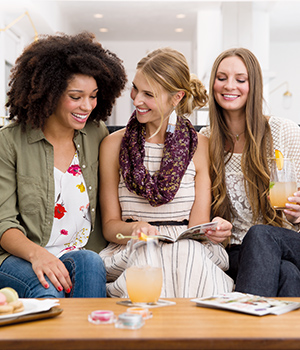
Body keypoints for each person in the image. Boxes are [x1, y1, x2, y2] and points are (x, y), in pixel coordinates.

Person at [99, 47, 234, 298]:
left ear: (176, 97)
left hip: (188, 248)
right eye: (136, 88)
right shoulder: (112, 145)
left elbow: (197, 226)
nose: (137, 100)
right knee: (150, 258)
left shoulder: (200, 146)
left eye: (148, 94)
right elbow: (109, 228)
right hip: (133, 245)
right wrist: (136, 228)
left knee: (185, 255)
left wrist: (214, 229)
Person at [0, 32, 127, 298]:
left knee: (91, 262)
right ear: (51, 92)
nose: (87, 106)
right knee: (46, 284)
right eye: (76, 96)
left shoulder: (96, 134)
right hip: (19, 256)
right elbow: (4, 223)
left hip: (78, 254)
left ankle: (91, 339)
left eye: (93, 96)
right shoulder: (9, 141)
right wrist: (39, 256)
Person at [200, 47, 300, 297]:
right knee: (287, 273)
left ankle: (242, 335)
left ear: (253, 84)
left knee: (260, 235)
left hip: (287, 240)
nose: (229, 86)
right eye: (221, 78)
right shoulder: (205, 139)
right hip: (234, 252)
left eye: (240, 79)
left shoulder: (284, 132)